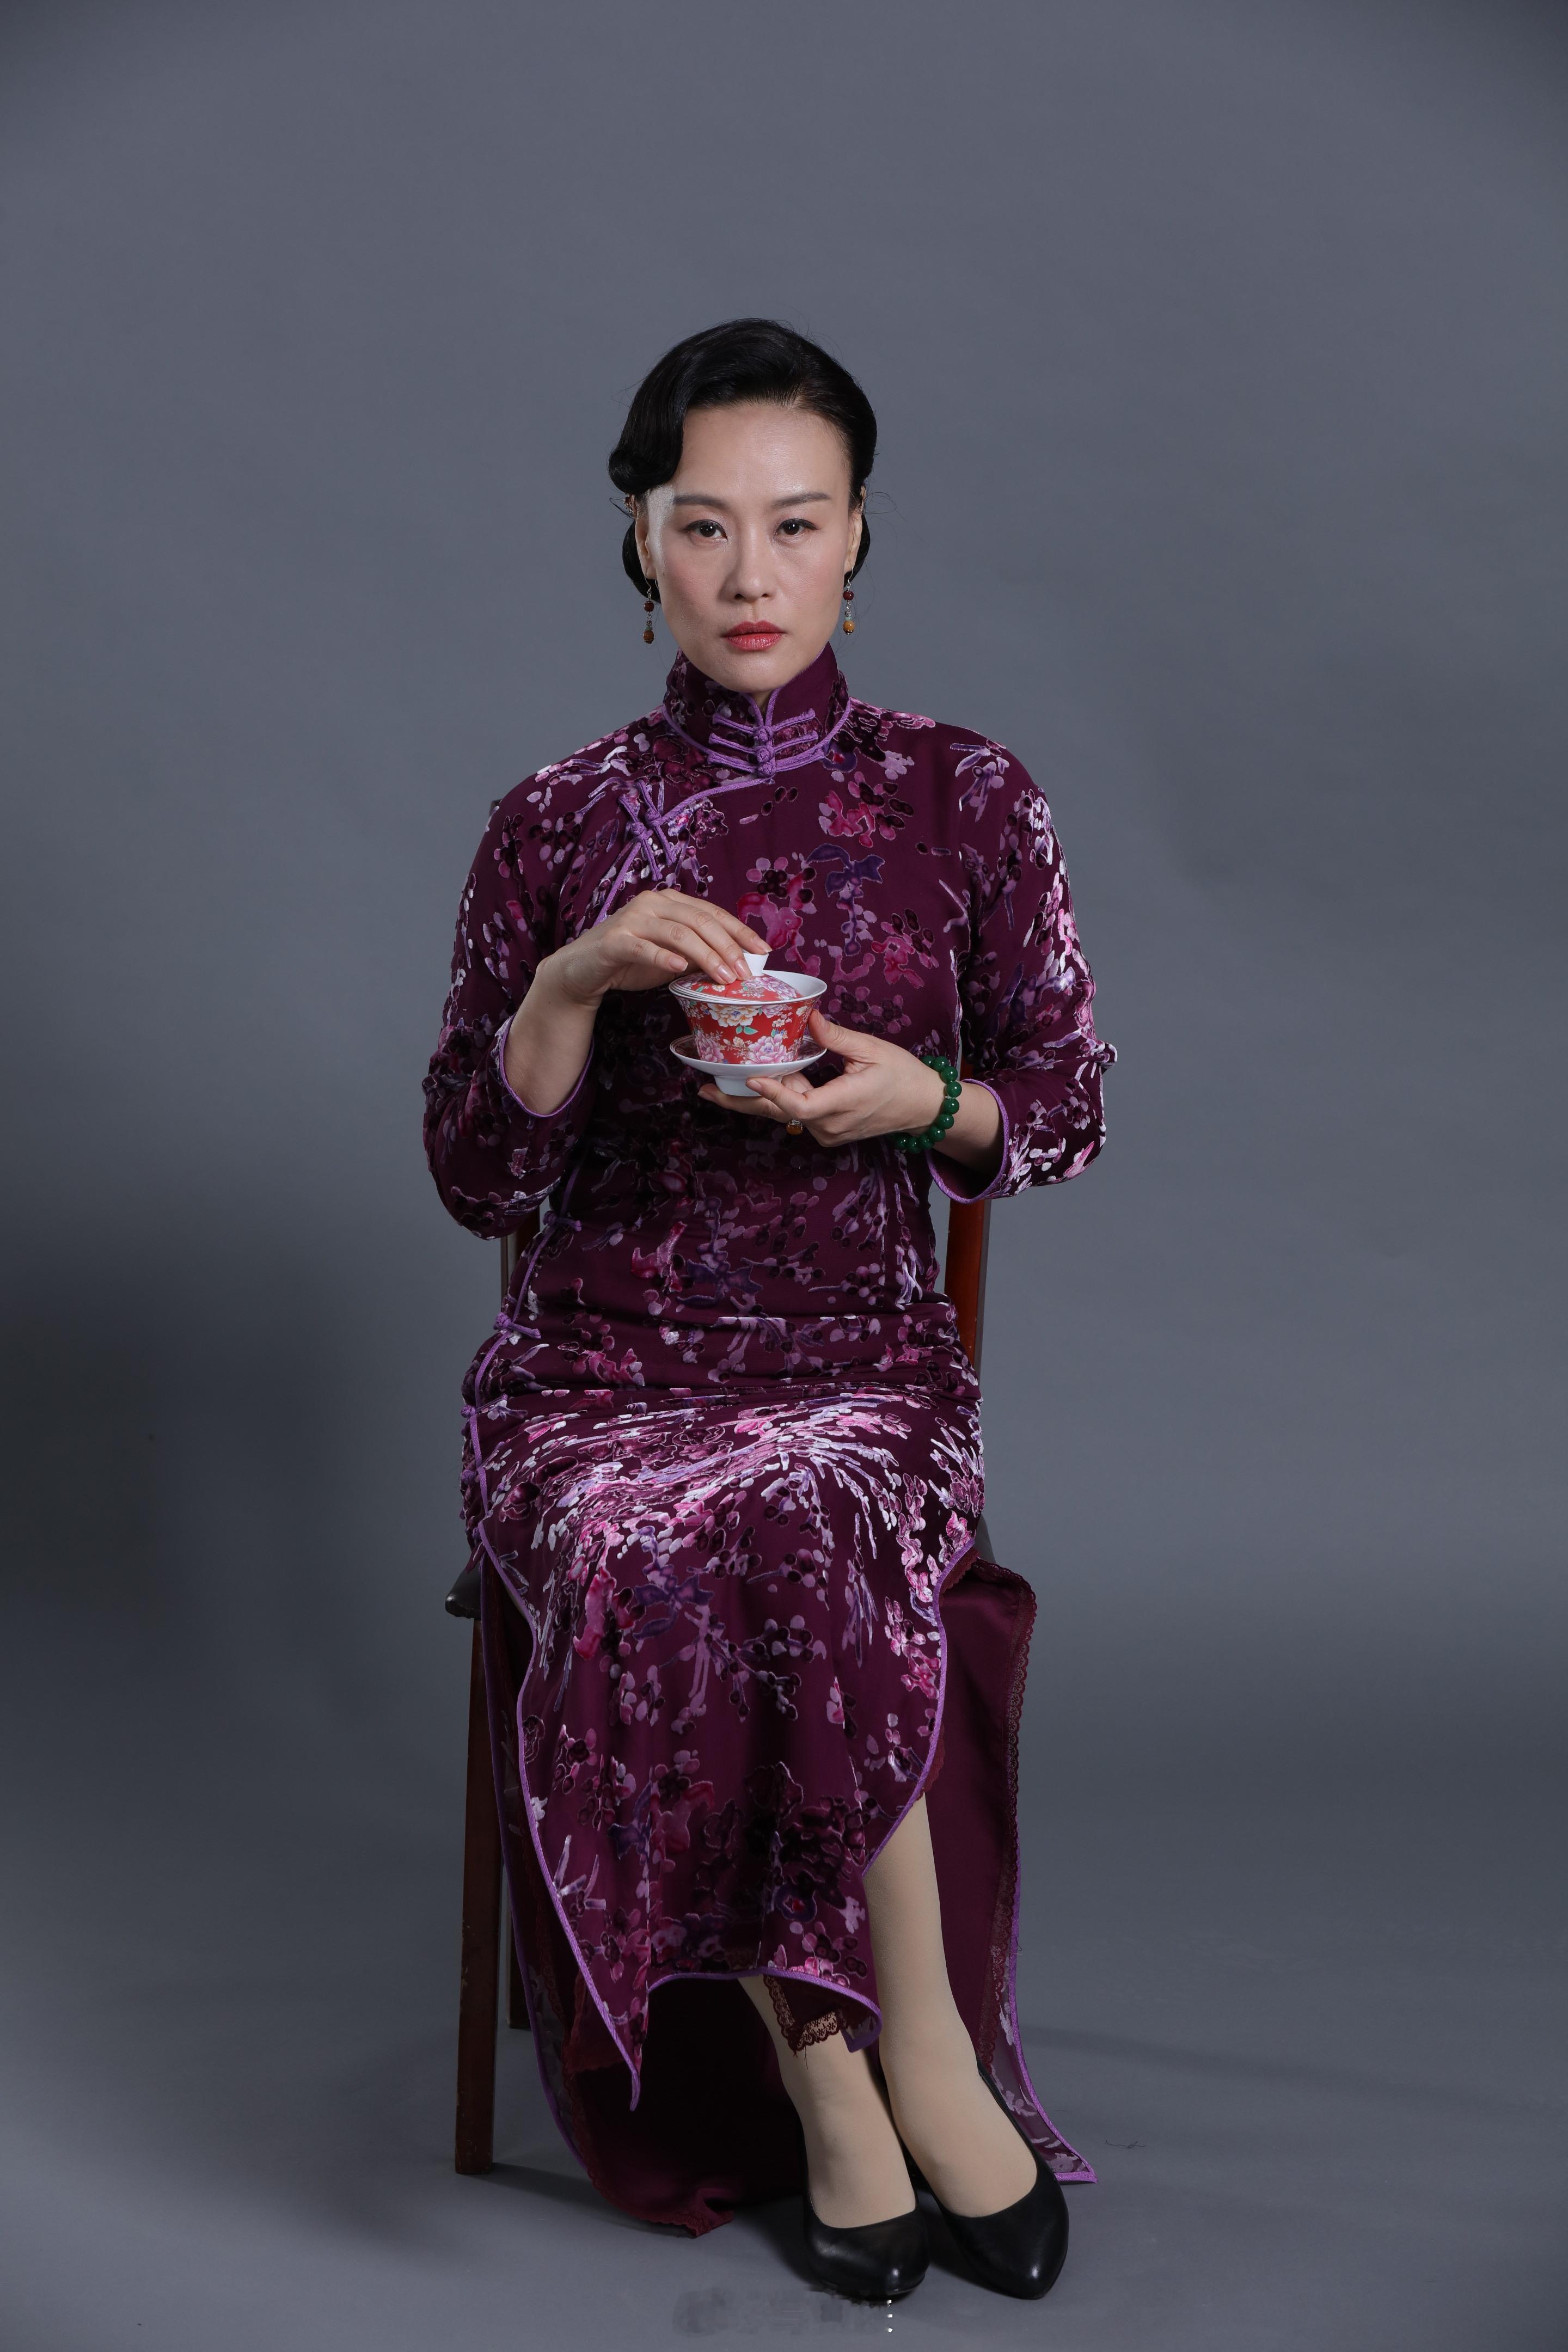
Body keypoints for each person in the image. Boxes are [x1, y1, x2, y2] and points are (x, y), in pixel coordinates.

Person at [424, 318, 1114, 2303]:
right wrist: (571, 982)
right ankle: (842, 2075)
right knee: (661, 1528)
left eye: (796, 524)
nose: (750, 573)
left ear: (859, 537)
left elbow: (1064, 1106)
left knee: (806, 1509)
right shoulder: (557, 818)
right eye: (704, 524)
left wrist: (926, 1100)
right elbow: (476, 1174)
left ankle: (915, 2048)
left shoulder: (965, 796)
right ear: (639, 541)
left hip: (859, 1364)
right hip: (599, 1372)